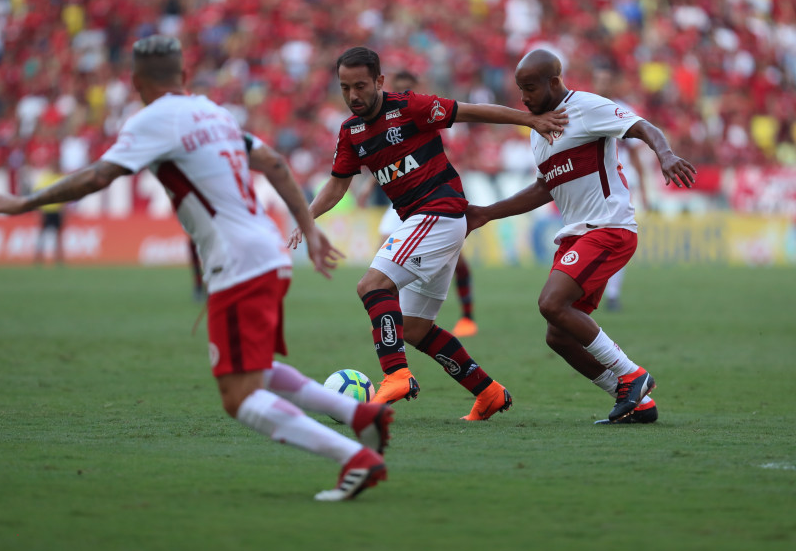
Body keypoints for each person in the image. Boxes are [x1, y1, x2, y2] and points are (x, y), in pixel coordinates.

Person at [0, 35, 394, 501]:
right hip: (266, 253)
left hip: (238, 263)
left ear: (136, 82)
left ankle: (354, 457)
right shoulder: (213, 112)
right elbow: (272, 162)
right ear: (184, 75)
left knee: (238, 396)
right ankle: (359, 415)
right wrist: (308, 228)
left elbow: (99, 175)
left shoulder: (151, 120)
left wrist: (25, 203)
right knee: (255, 369)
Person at [290, 46, 566, 420]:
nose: (353, 95)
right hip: (427, 221)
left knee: (371, 286)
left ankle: (396, 375)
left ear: (379, 81)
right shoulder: (351, 131)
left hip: (439, 212)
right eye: (345, 88)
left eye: (360, 86)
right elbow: (338, 185)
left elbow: (471, 111)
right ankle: (488, 392)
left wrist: (529, 120)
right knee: (415, 327)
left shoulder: (409, 107)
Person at [466, 49, 696, 424]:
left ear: (555, 82)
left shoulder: (586, 107)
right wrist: (486, 213)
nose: (524, 97)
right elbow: (544, 188)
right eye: (520, 89)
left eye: (530, 88)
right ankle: (634, 401)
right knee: (557, 336)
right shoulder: (539, 132)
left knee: (551, 303)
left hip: (608, 228)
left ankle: (633, 375)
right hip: (577, 236)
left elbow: (642, 126)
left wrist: (665, 155)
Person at [362, 70, 478, 338]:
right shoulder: (385, 120)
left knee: (457, 260)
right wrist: (369, 185)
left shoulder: (421, 117)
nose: (402, 92)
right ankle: (389, 316)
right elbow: (386, 160)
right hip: (402, 202)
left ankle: (467, 316)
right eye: (399, 88)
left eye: (407, 88)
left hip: (432, 198)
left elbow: (437, 155)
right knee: (383, 253)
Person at [591, 65, 649, 312]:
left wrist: (644, 190)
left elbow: (635, 153)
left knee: (616, 235)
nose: (602, 84)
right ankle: (588, 288)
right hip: (591, 184)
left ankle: (612, 294)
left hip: (618, 184)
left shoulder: (623, 111)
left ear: (613, 83)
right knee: (590, 235)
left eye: (606, 80)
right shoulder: (585, 108)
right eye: (599, 79)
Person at [31, 161, 66, 265]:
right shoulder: (46, 178)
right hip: (46, 211)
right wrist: (39, 209)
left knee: (58, 235)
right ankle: (38, 257)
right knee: (42, 234)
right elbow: (37, 193)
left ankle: (58, 258)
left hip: (57, 211)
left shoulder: (61, 178)